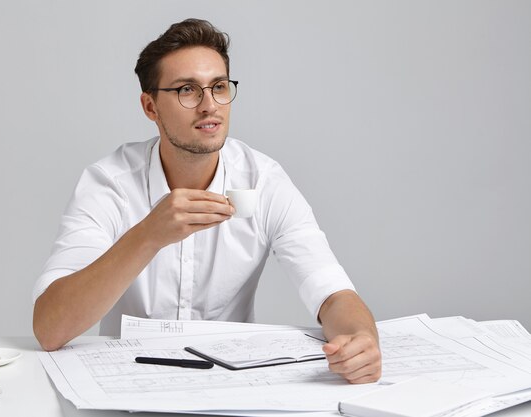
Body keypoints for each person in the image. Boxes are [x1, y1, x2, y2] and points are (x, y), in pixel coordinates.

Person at [32, 18, 381, 384]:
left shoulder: (263, 181)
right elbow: (50, 328)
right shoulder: (110, 184)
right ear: (150, 107)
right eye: (187, 90)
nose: (209, 105)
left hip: (231, 386)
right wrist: (148, 235)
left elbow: (332, 292)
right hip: (125, 382)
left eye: (218, 87)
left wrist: (362, 341)